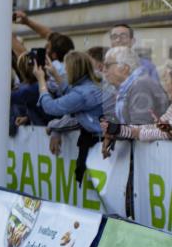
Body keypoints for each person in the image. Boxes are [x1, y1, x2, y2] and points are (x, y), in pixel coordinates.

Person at [34, 52, 106, 183]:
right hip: (103, 141)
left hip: (100, 144)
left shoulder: (82, 93)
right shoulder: (93, 84)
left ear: (73, 69)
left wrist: (41, 81)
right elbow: (72, 93)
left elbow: (50, 107)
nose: (65, 72)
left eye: (66, 68)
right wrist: (55, 74)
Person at [102, 46, 168, 124]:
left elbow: (140, 127)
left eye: (107, 65)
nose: (104, 70)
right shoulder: (127, 86)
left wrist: (117, 132)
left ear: (124, 68)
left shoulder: (140, 85)